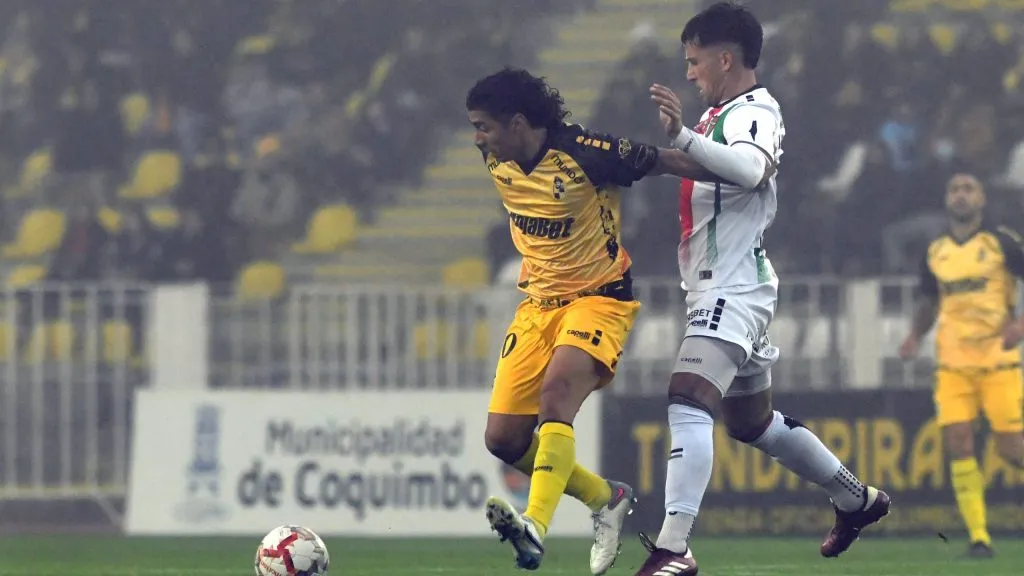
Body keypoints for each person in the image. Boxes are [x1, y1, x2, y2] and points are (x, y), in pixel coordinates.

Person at [634, 4, 890, 575]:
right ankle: (856, 498)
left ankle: (673, 549)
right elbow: (702, 165)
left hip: (734, 289)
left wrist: (675, 138)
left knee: (687, 396)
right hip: (723, 287)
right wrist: (638, 158)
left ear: (726, 59)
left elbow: (749, 171)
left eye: (696, 62)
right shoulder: (716, 117)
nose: (691, 73)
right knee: (751, 423)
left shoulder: (756, 109)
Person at [466, 67, 715, 573]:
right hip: (537, 306)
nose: (478, 139)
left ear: (517, 123)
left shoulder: (586, 153)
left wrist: (744, 171)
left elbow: (665, 161)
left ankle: (535, 524)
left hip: (598, 298)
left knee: (557, 396)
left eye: (484, 127)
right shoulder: (495, 155)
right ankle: (606, 498)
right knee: (504, 440)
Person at [899, 172, 1024, 559]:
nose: (961, 195)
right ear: (947, 199)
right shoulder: (935, 250)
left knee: (1011, 449)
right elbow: (930, 302)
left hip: (998, 359)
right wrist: (915, 336)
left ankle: (980, 535)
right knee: (958, 441)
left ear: (982, 199)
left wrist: (1019, 325)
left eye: (969, 189)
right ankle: (979, 537)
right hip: (952, 362)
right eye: (955, 189)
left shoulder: (1001, 241)